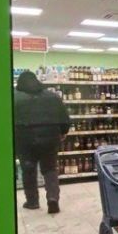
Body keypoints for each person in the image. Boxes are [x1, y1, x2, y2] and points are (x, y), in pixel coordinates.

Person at [13, 70, 71, 214]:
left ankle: (32, 201)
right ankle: (52, 199)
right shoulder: (53, 97)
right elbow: (65, 117)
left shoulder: (14, 98)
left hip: (24, 138)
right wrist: (63, 132)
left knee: (28, 170)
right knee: (50, 169)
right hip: (50, 137)